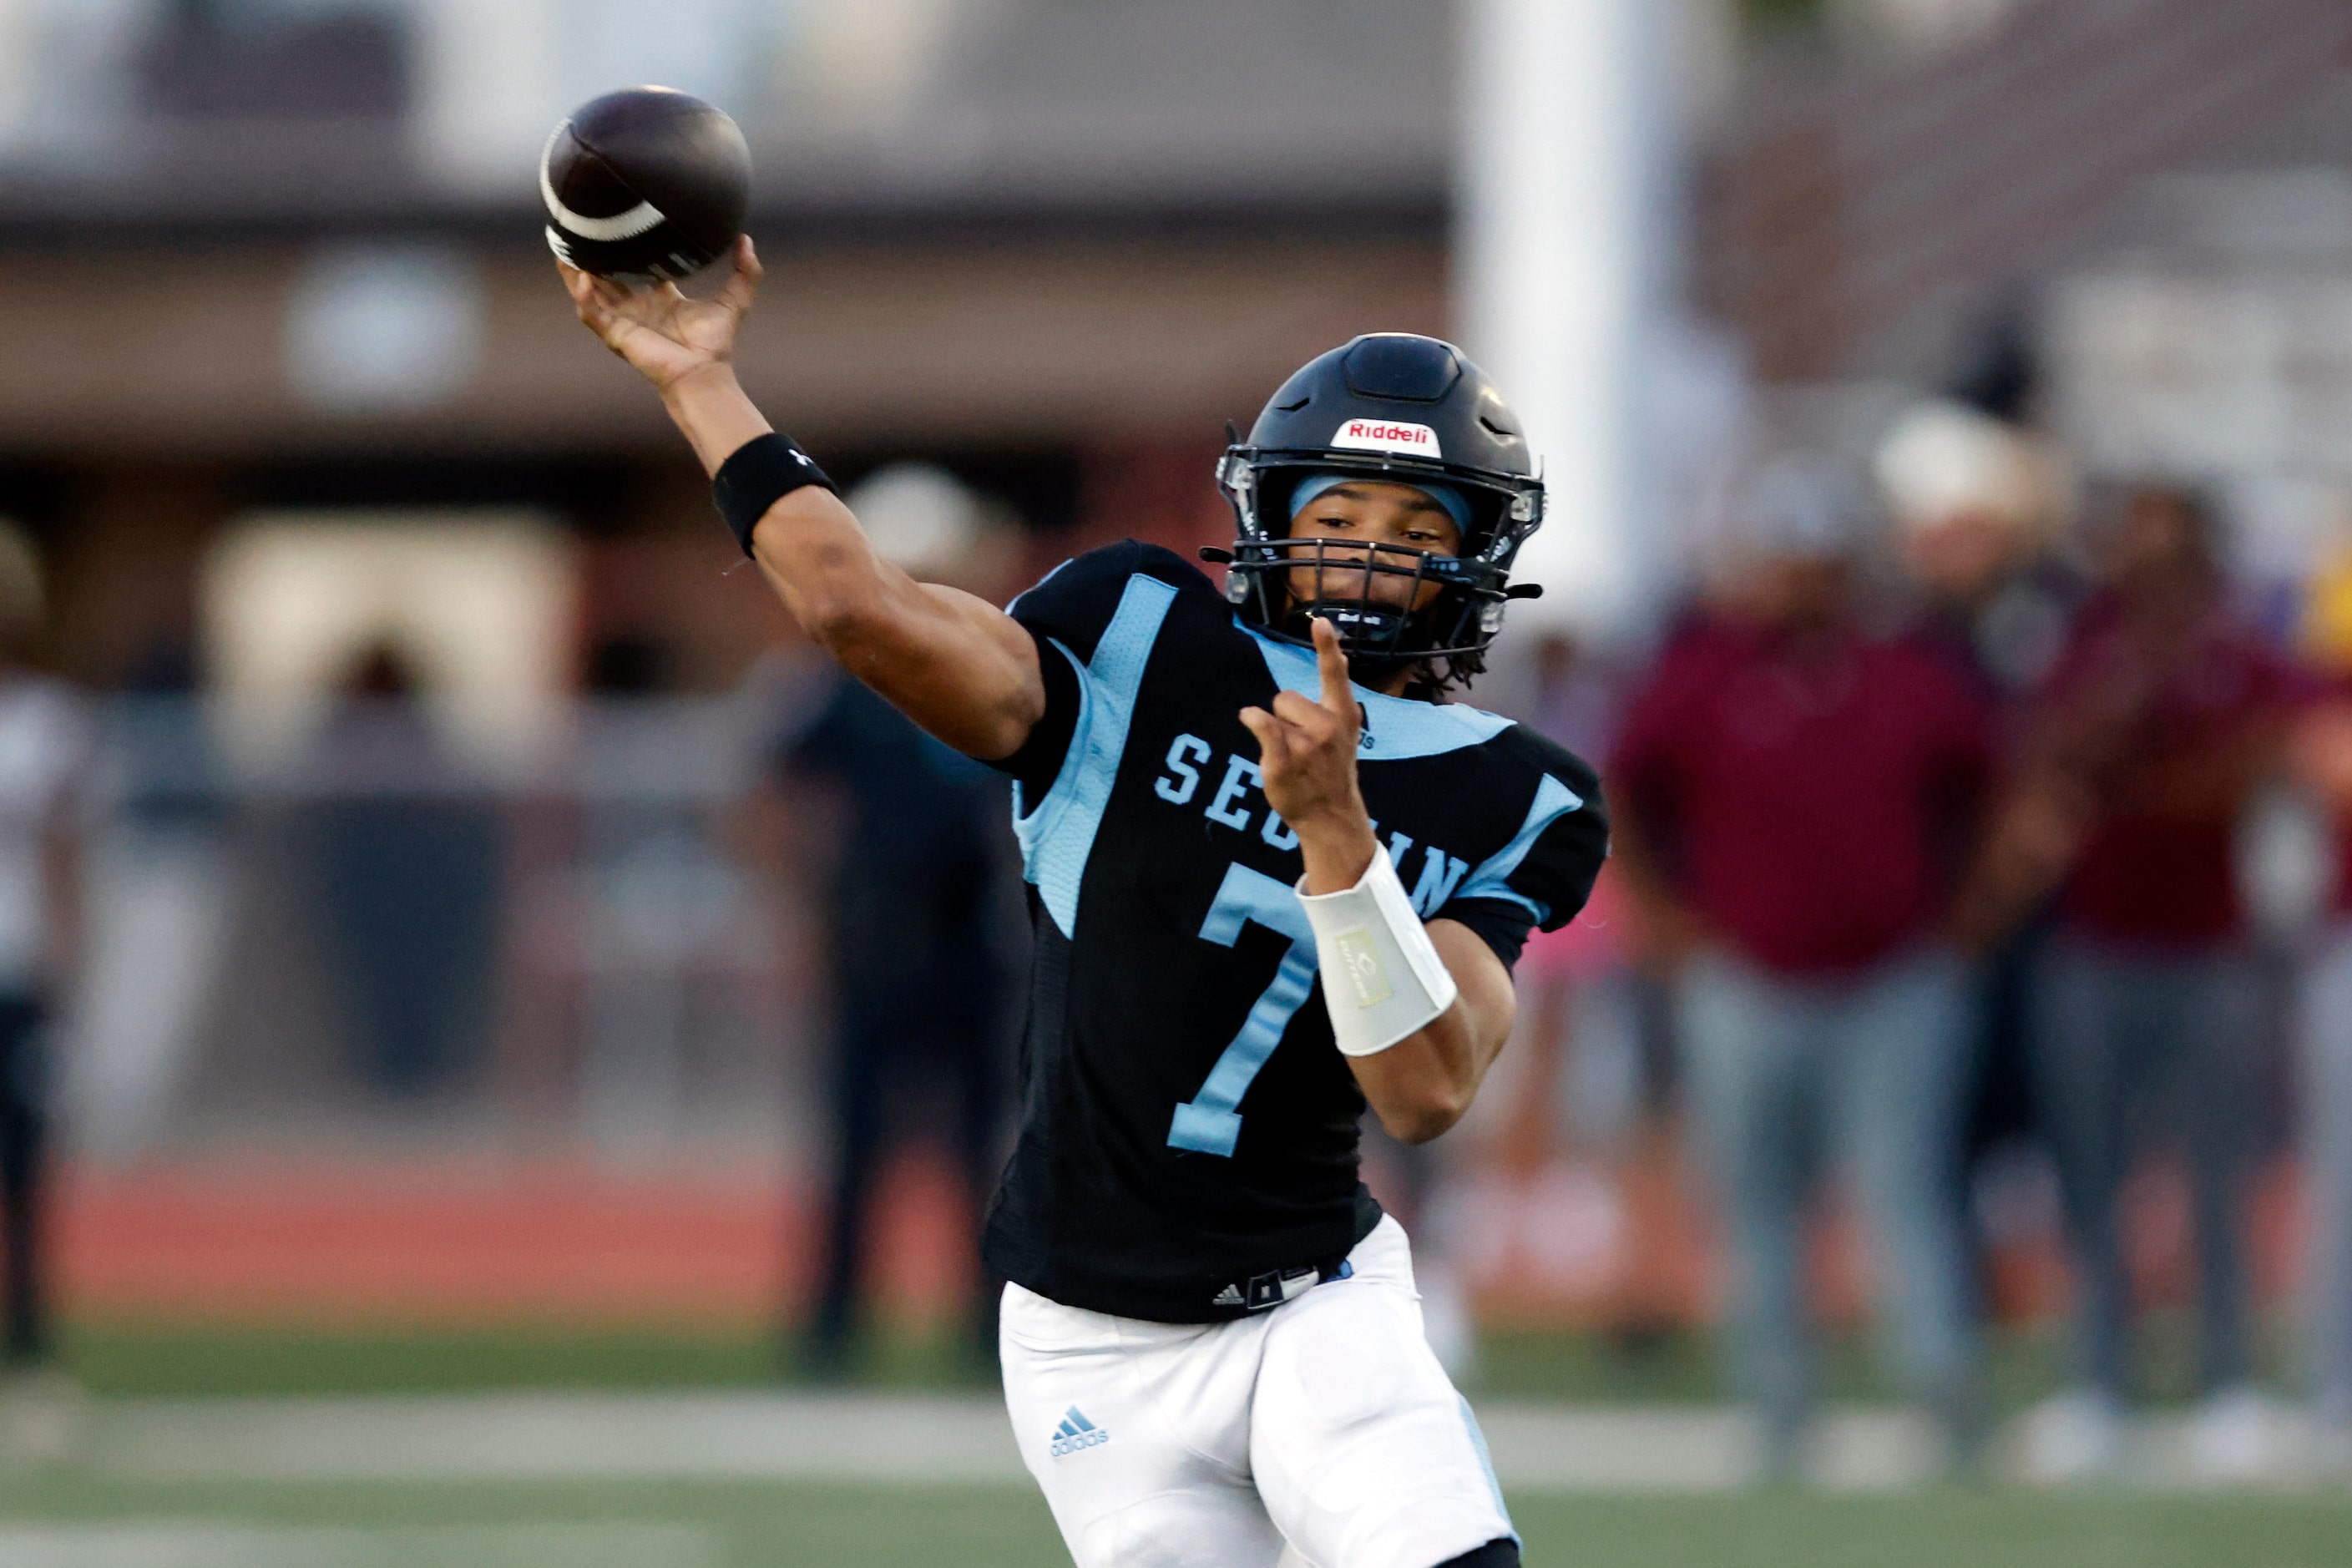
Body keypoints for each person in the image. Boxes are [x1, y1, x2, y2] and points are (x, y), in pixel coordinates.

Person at [563, 241, 1606, 1568]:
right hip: (1090, 1345)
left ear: (1479, 563)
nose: (1362, 562)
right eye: (1340, 516)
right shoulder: (1134, 634)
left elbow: (1424, 1089)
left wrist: (1339, 834)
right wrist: (701, 381)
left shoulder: (1515, 791)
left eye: (1414, 534)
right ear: (1275, 514)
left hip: (1318, 1302)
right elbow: (854, 604)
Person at [1609, 458, 1993, 1477]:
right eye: (1787, 561)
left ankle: (1942, 1393)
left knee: (1903, 1189)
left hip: (1891, 978)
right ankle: (1781, 1411)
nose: (1802, 581)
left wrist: (1964, 920)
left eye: (1818, 561)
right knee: (1754, 1196)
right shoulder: (1704, 670)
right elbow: (1623, 790)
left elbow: (1993, 787)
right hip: (1745, 976)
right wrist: (1663, 923)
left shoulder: (1907, 669)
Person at [2011, 488, 2293, 1484]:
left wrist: (2138, 780)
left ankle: (2228, 1387)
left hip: (2210, 946)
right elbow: (2053, 758)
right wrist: (2126, 710)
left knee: (2220, 1174)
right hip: (2096, 942)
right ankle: (2099, 1384)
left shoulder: (2240, 654)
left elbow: (2246, 773)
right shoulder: (2088, 648)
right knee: (2093, 1178)